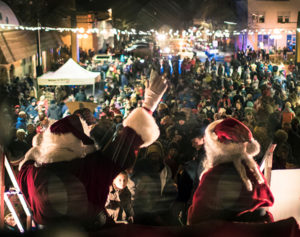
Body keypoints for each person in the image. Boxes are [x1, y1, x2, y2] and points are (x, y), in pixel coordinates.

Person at [17, 70, 167, 228]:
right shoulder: (86, 169)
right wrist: (149, 104)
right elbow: (123, 146)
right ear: (79, 142)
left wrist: (40, 149)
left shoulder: (31, 172)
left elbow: (26, 163)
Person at [188, 117, 274, 225]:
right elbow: (266, 203)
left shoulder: (213, 176)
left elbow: (196, 217)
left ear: (216, 147)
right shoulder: (254, 173)